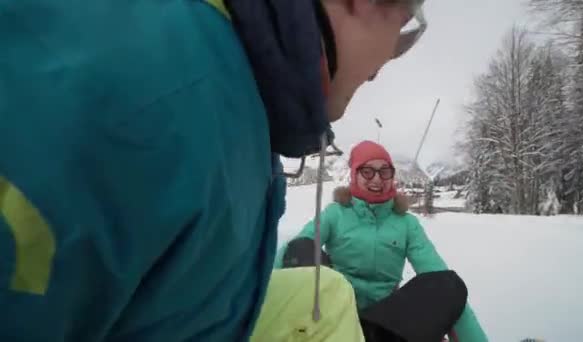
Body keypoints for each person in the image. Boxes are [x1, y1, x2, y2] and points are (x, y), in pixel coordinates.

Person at [1, 0, 429, 340]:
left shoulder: (247, 107)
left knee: (331, 295)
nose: (383, 65)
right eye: (406, 23)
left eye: (383, 173)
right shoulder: (161, 108)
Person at [275, 140, 489, 342]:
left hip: (383, 324)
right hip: (336, 313)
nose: (377, 179)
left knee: (447, 283)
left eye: (384, 171)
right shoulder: (336, 214)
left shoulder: (406, 223)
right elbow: (295, 249)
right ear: (354, 175)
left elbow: (436, 272)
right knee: (302, 247)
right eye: (367, 172)